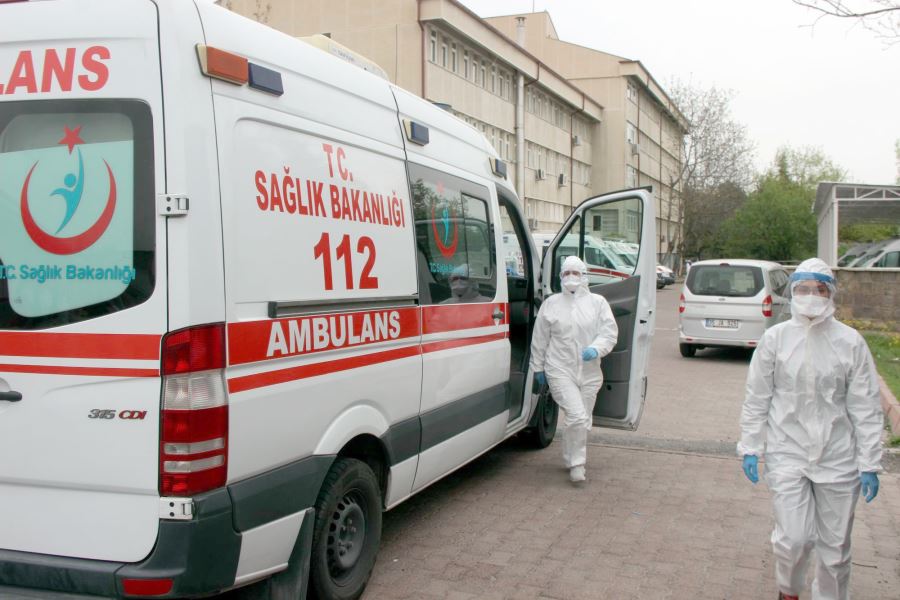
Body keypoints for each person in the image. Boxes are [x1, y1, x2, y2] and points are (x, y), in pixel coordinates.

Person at [738, 258, 883, 600]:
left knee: (836, 549)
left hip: (838, 455)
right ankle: (789, 591)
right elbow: (757, 396)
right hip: (788, 450)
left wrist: (870, 462)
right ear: (793, 292)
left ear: (830, 293)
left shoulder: (850, 342)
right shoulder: (775, 339)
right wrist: (750, 446)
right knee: (794, 539)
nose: (810, 296)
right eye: (803, 289)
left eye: (818, 289)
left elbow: (865, 405)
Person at [530, 255, 618, 483]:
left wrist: (596, 348)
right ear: (560, 277)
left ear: (584, 276)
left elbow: (609, 332)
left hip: (589, 370)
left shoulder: (597, 303)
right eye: (566, 273)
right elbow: (540, 338)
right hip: (559, 368)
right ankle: (577, 465)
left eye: (575, 273)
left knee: (582, 420)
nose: (571, 278)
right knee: (577, 416)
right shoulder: (552, 304)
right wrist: (537, 367)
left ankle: (570, 456)